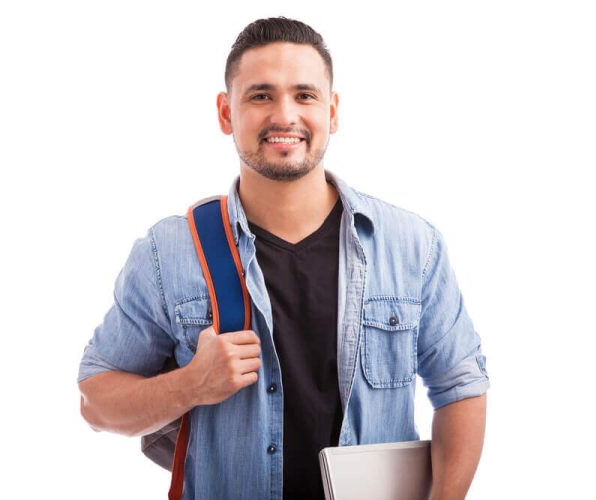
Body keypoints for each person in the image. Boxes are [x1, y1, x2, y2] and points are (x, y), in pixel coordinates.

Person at [77, 16, 490, 500]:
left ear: (332, 111)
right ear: (226, 112)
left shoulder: (411, 245)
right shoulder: (169, 252)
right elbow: (95, 401)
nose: (284, 116)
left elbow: (461, 386)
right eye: (260, 95)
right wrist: (191, 384)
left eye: (304, 95)